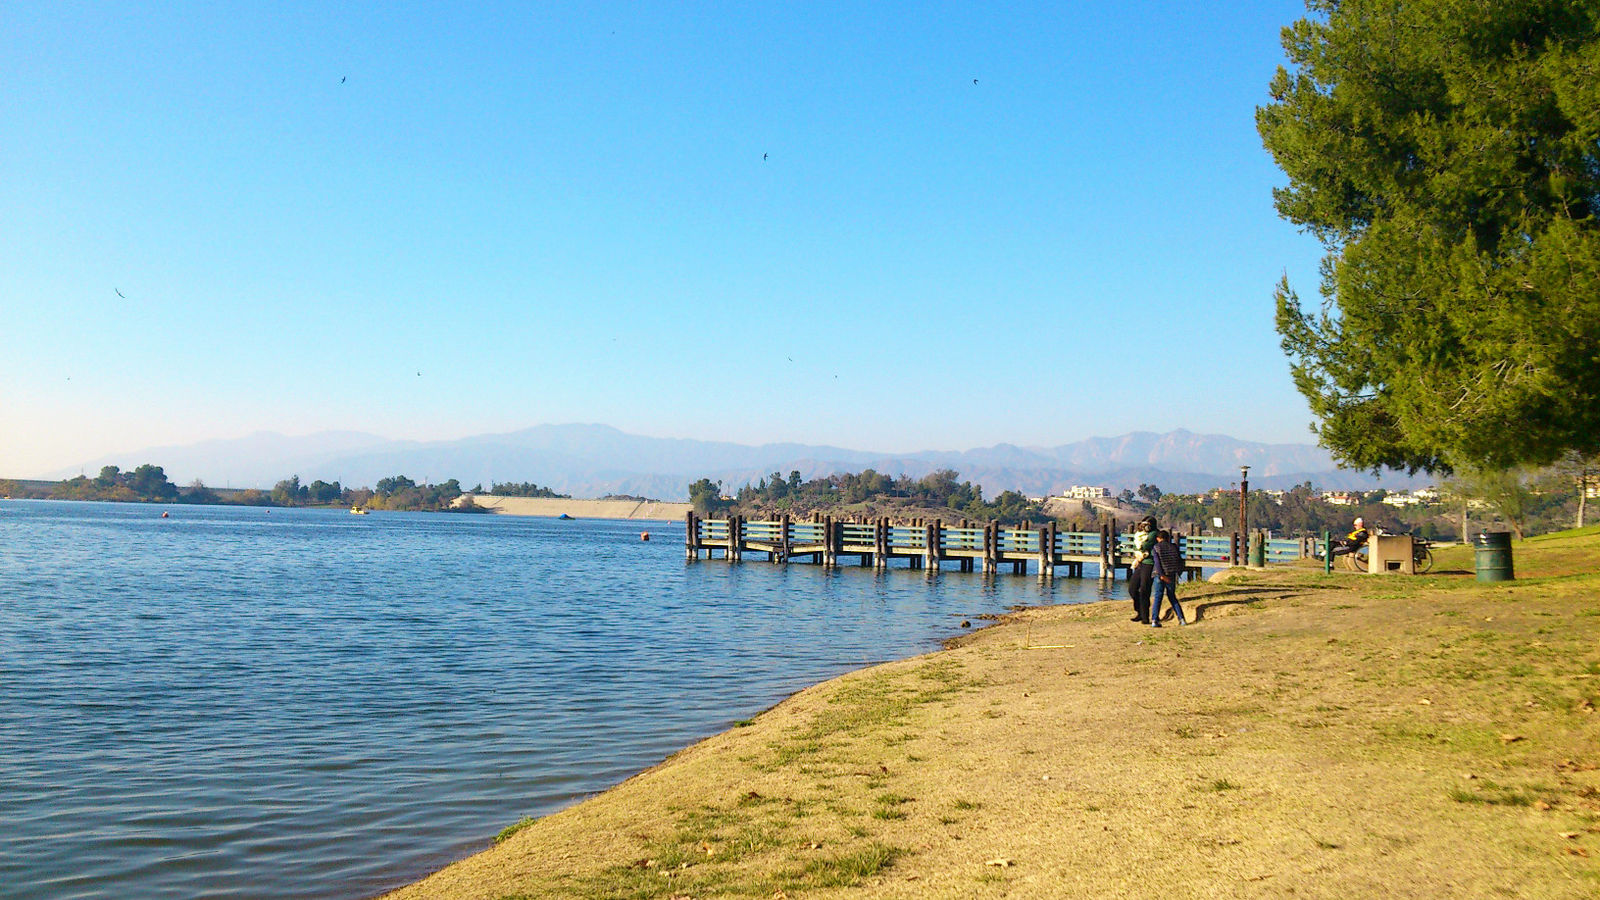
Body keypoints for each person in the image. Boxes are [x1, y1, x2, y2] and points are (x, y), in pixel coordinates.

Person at [1150, 529, 1188, 626]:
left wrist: (1161, 575)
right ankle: (1182, 619)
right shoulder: (1174, 547)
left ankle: (1154, 620)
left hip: (1159, 575)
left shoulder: (1156, 547)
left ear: (1158, 538)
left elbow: (1157, 563)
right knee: (1172, 597)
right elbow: (1179, 561)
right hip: (1171, 574)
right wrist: (1178, 573)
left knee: (1158, 597)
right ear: (1168, 538)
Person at [1127, 516, 1157, 623]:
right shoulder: (1139, 534)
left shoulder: (1154, 533)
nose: (1145, 527)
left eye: (1147, 525)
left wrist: (1139, 548)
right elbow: (1136, 546)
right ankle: (1139, 610)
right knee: (1132, 588)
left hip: (1149, 563)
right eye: (1144, 524)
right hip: (1140, 562)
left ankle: (1145, 616)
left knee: (1145, 589)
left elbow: (1145, 546)